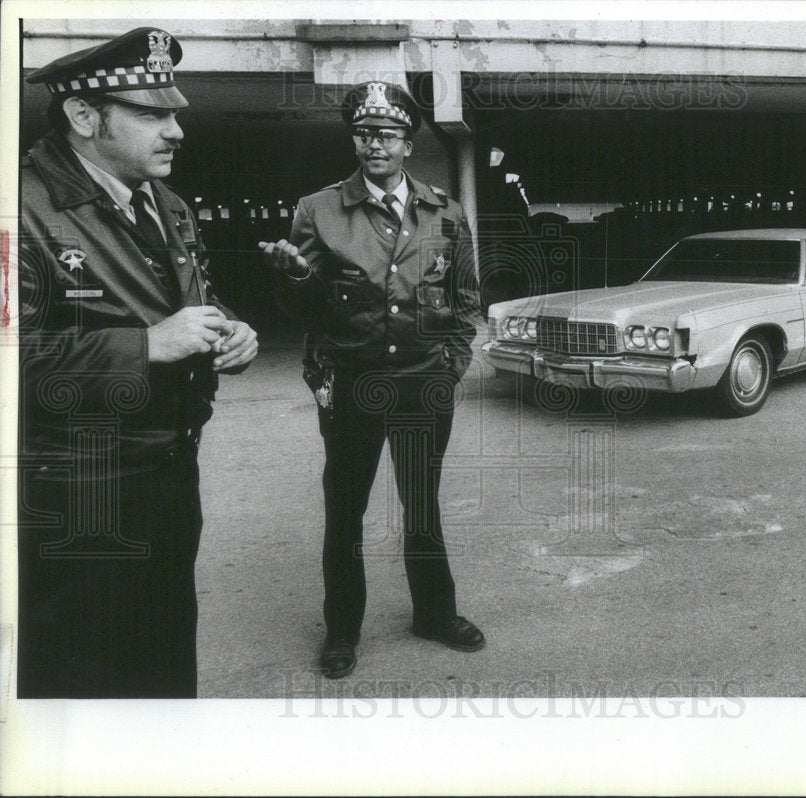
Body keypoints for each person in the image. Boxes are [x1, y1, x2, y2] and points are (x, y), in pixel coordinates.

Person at [18, 27, 258, 698]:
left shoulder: (169, 205)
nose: (176, 129)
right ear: (83, 116)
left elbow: (193, 302)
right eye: (152, 113)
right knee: (80, 679)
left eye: (173, 111)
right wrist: (148, 345)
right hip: (74, 494)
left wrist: (229, 331)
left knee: (163, 666)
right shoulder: (20, 209)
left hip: (168, 474)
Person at [260, 81, 483, 678]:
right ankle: (342, 632)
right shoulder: (319, 209)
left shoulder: (445, 212)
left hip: (423, 383)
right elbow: (301, 312)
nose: (374, 145)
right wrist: (294, 278)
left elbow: (466, 300)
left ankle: (435, 615)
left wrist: (452, 365)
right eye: (363, 134)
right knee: (345, 511)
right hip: (352, 382)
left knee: (422, 508)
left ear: (408, 144)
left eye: (386, 135)